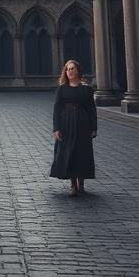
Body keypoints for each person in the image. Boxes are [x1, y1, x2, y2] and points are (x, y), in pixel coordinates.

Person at [49, 59, 97, 196]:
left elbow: (91, 109)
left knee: (82, 153)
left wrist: (94, 127)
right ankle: (73, 185)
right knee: (68, 153)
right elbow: (56, 109)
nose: (69, 71)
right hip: (66, 124)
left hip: (83, 123)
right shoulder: (62, 89)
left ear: (78, 71)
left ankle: (81, 184)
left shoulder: (86, 89)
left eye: (72, 69)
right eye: (67, 69)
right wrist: (56, 128)